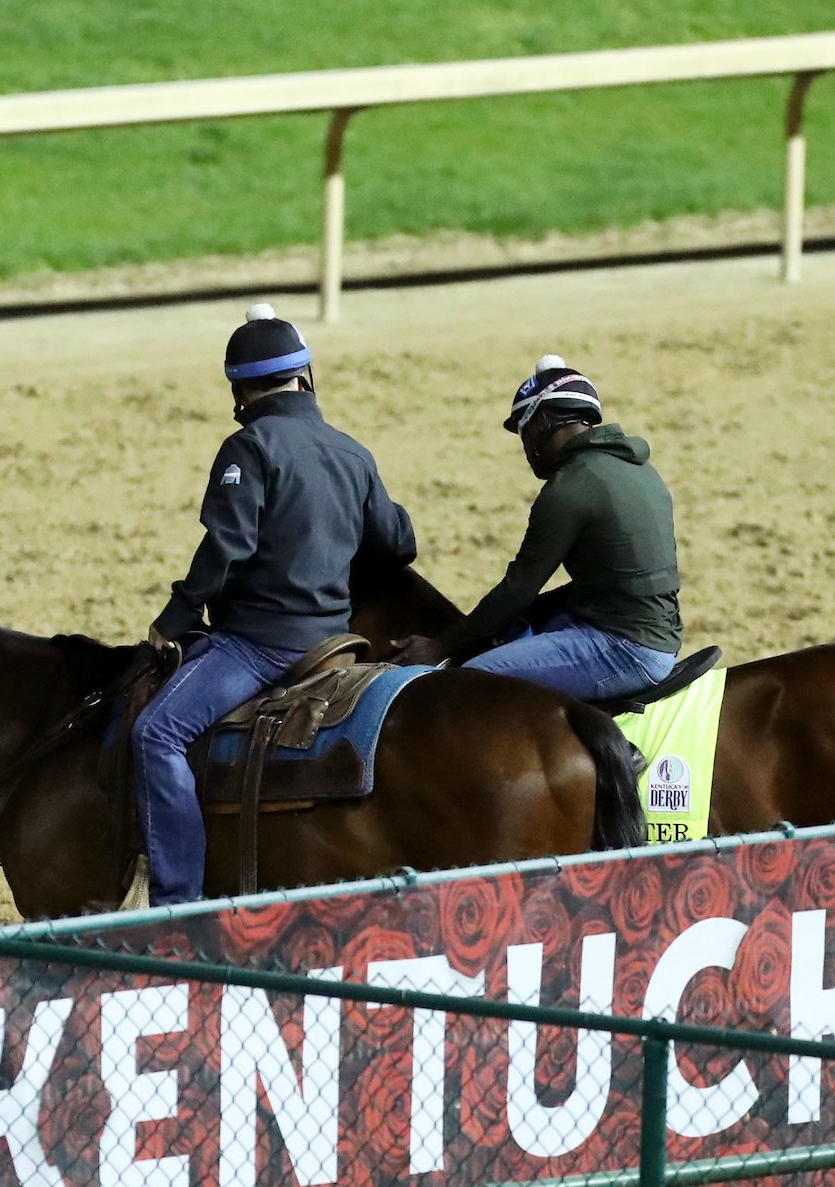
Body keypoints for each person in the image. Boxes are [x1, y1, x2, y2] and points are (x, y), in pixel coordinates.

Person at [133, 304, 419, 907]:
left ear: (240, 390)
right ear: (305, 376)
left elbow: (226, 547)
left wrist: (175, 619)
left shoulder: (248, 448)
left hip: (260, 647)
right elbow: (397, 544)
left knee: (157, 733)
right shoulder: (351, 452)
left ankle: (175, 900)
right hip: (335, 643)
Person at [394, 357, 681, 699]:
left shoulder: (570, 487)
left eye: (524, 430)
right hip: (655, 630)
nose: (526, 447)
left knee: (472, 679)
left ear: (543, 422)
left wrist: (440, 646)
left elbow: (518, 589)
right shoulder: (638, 467)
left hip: (626, 647)